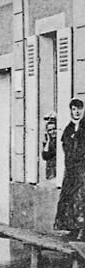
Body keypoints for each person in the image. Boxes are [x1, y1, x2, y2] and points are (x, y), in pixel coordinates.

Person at [54, 98, 85, 239]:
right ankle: (72, 229)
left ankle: (81, 231)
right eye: (74, 109)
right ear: (71, 111)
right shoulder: (69, 128)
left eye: (79, 108)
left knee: (80, 198)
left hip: (83, 170)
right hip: (71, 169)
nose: (77, 112)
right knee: (69, 198)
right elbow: (66, 148)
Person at [42, 112, 57, 181]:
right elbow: (45, 156)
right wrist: (48, 140)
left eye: (54, 129)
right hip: (51, 171)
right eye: (50, 130)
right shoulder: (48, 142)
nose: (53, 132)